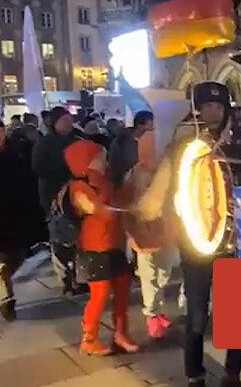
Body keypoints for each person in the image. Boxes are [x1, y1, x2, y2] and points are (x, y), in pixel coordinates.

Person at [133, 82, 241, 387]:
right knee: (197, 315)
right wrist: (146, 209)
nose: (214, 112)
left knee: (237, 316)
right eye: (208, 106)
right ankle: (195, 375)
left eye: (219, 107)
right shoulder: (183, 148)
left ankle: (232, 374)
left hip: (235, 243)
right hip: (196, 245)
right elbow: (159, 190)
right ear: (197, 109)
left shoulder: (238, 146)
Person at [63, 139, 139, 355]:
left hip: (115, 243)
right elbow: (99, 210)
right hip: (95, 247)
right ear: (86, 160)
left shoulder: (108, 180)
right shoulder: (78, 187)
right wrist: (120, 207)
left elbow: (122, 201)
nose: (104, 159)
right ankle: (89, 338)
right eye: (99, 156)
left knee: (123, 289)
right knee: (100, 293)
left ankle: (121, 334)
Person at [128, 130, 179, 339]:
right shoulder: (134, 174)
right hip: (145, 235)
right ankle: (151, 313)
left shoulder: (169, 170)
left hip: (167, 230)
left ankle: (157, 308)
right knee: (149, 275)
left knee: (164, 273)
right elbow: (127, 203)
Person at [32, 107, 84, 296]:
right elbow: (38, 167)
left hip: (76, 195)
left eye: (70, 120)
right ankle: (66, 279)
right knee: (60, 237)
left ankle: (78, 276)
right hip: (54, 197)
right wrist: (65, 172)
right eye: (64, 120)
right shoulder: (44, 143)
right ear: (54, 123)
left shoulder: (76, 139)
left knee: (77, 237)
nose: (68, 123)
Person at [0, 121, 35, 321]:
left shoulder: (14, 153)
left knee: (15, 257)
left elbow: (25, 180)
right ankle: (7, 299)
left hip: (13, 215)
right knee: (3, 262)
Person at [108, 110, 154, 185]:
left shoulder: (143, 141)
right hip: (124, 184)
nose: (153, 128)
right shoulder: (122, 142)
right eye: (150, 125)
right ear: (140, 126)